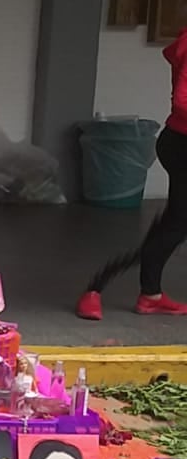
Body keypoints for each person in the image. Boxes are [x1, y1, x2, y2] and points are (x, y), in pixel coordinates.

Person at [78, 25, 187, 318]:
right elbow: (183, 102)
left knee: (176, 222)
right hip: (184, 143)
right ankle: (140, 293)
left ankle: (149, 293)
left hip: (178, 140)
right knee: (177, 224)